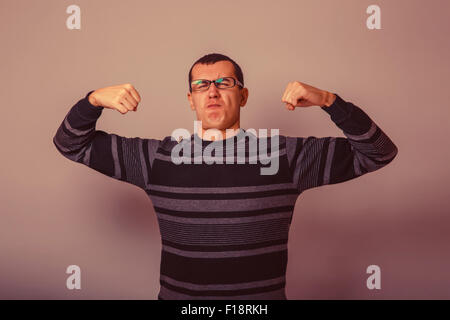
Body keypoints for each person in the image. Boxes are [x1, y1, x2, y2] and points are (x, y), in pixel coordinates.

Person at [53, 53, 398, 300]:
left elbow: (380, 152)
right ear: (192, 100)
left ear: (243, 95)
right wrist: (93, 100)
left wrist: (330, 101)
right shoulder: (156, 158)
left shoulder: (284, 155)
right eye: (202, 85)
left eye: (224, 82)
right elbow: (70, 144)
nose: (213, 91)